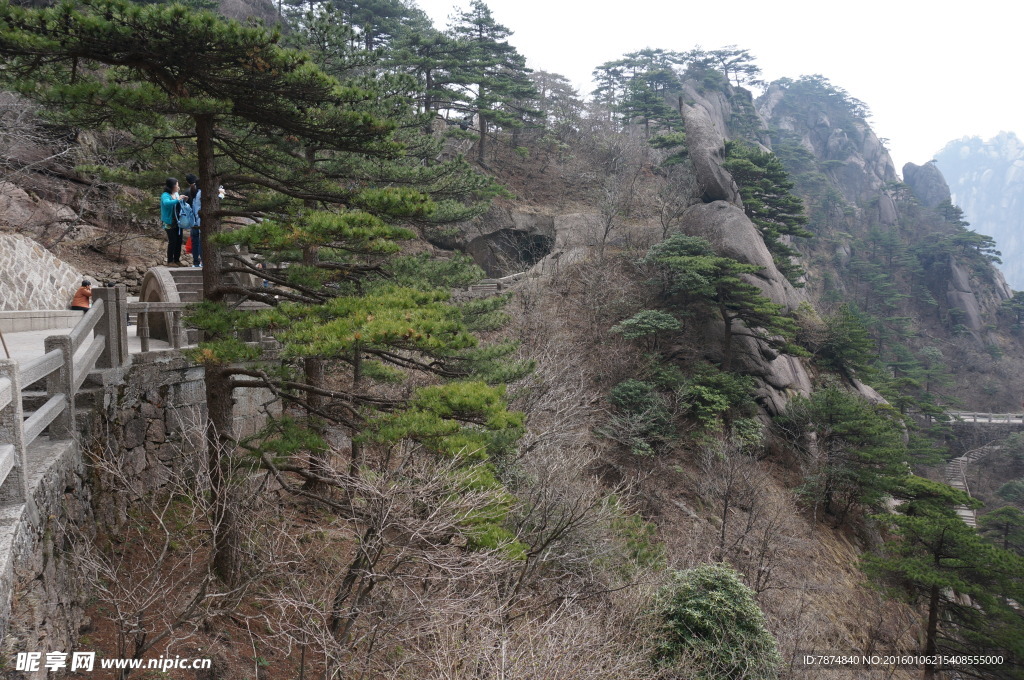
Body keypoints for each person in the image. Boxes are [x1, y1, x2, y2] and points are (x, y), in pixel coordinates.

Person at [160, 177, 183, 266]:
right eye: (177, 185)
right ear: (172, 186)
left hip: (178, 221)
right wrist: (178, 200)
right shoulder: (165, 195)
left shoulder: (176, 194)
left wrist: (183, 200)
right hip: (168, 222)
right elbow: (167, 204)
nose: (178, 187)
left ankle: (177, 260)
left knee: (179, 240)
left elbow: (179, 204)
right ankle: (170, 261)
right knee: (172, 240)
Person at [184, 173, 203, 267]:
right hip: (200, 220)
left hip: (193, 220)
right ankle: (203, 261)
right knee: (202, 241)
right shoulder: (201, 193)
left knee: (195, 241)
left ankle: (196, 262)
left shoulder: (189, 191)